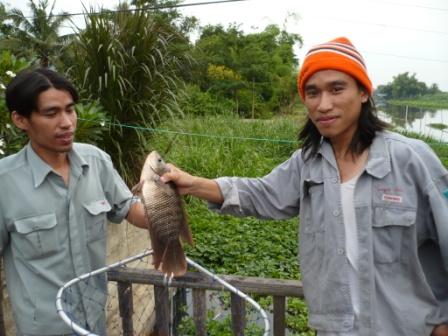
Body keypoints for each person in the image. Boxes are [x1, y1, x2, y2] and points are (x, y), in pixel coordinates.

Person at [161, 37, 448, 335]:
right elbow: (261, 194)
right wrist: (193, 184)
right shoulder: (307, 164)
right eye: (312, 92)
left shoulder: (411, 159)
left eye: (337, 89)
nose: (324, 105)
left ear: (363, 92)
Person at [0, 68, 147, 335]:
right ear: (21, 119)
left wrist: (166, 200)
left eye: (70, 109)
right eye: (51, 113)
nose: (67, 122)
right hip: (43, 328)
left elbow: (129, 208)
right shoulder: (4, 182)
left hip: (94, 321)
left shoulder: (96, 161)